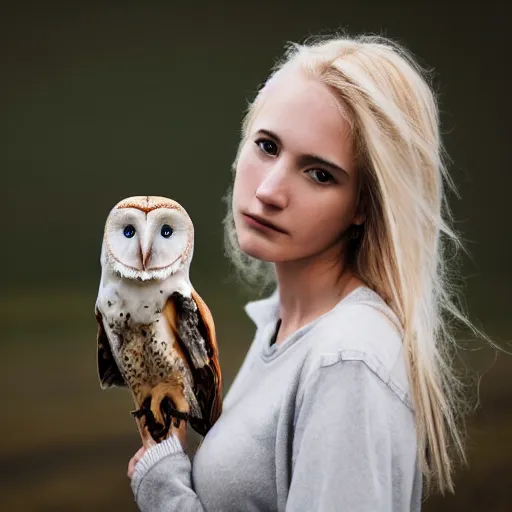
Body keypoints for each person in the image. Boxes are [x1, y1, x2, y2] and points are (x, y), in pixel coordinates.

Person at [128, 33, 474, 511]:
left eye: (319, 174)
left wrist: (163, 482)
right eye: (267, 146)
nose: (269, 190)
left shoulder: (347, 361)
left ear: (364, 206)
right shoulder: (284, 323)